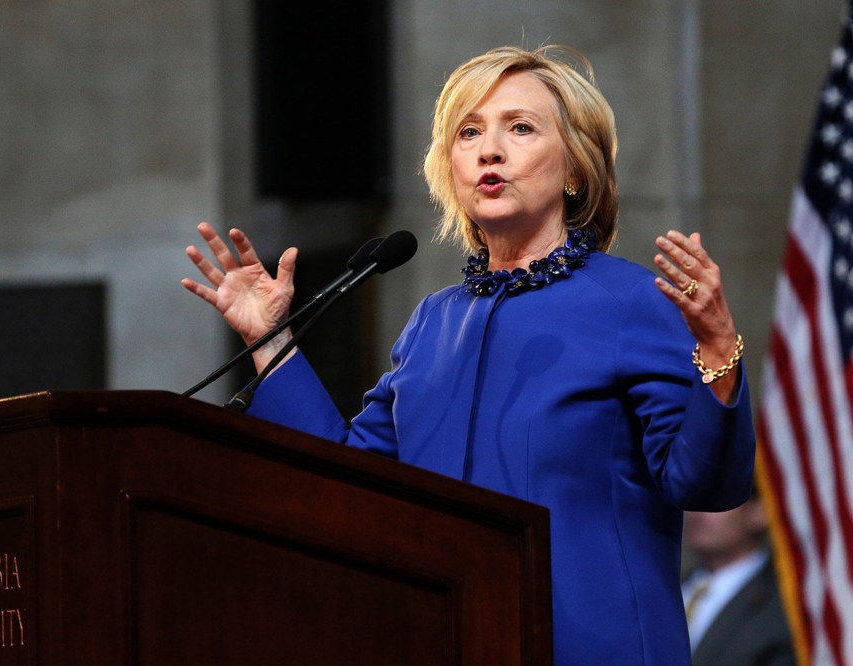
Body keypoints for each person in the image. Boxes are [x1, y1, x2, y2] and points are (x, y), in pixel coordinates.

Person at [182, 45, 756, 665]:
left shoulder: (632, 302)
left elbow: (707, 482)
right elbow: (346, 485)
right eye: (469, 132)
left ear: (575, 169)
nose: (489, 150)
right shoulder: (433, 323)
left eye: (521, 128)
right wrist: (270, 342)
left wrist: (719, 351)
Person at [682, 492, 796, 665]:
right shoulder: (668, 588)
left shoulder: (784, 600)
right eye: (693, 499)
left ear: (760, 512)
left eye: (717, 500)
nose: (698, 512)